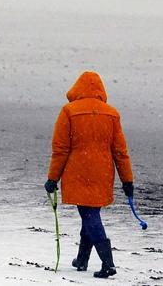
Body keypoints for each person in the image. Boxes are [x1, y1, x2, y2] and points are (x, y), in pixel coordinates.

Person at [45, 70, 134, 278]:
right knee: (90, 213)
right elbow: (120, 151)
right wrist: (127, 180)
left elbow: (61, 149)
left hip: (78, 171)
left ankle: (108, 263)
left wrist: (52, 178)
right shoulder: (111, 113)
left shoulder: (69, 111)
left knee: (89, 215)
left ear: (77, 88)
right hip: (102, 172)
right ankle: (82, 259)